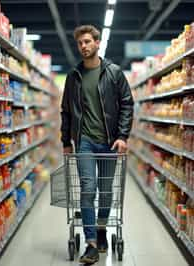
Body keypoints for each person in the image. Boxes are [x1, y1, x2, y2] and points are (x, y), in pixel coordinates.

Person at [61, 25, 134, 264]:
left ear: (97, 42)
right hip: (85, 142)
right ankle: (91, 242)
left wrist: (122, 136)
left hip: (110, 143)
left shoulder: (113, 72)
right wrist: (65, 140)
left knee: (106, 191)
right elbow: (66, 111)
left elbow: (126, 103)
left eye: (87, 41)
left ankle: (102, 228)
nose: (83, 46)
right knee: (88, 188)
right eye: (80, 43)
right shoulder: (73, 77)